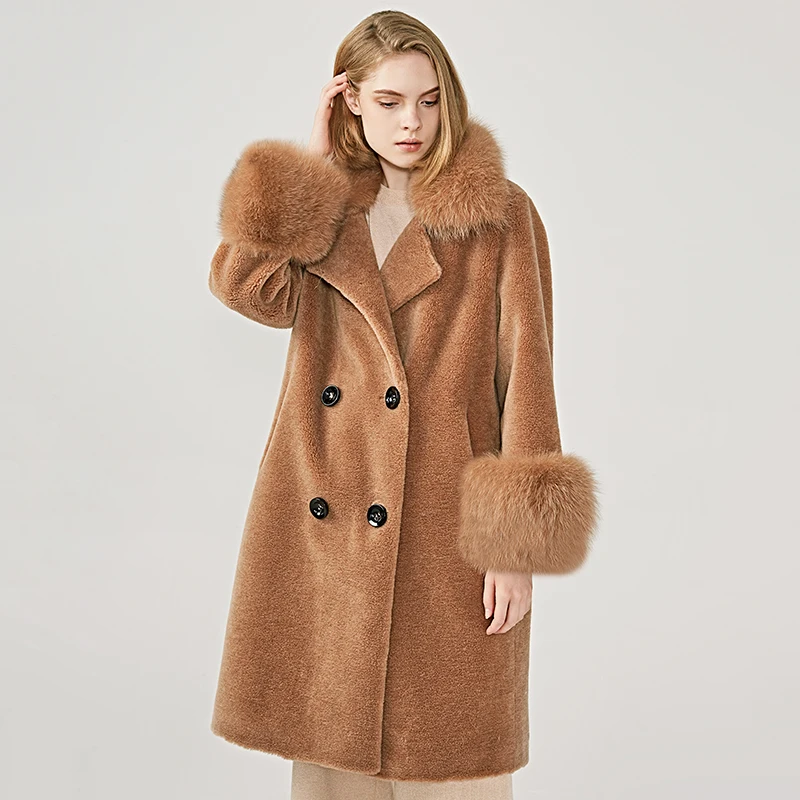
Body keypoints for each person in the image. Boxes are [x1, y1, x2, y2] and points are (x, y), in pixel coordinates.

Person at [207, 10, 600, 800]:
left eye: (428, 100)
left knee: (453, 762)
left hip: (444, 530)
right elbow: (246, 289)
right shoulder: (323, 211)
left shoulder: (499, 215)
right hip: (324, 525)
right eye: (388, 102)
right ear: (350, 101)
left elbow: (526, 377)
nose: (412, 123)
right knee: (333, 763)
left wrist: (514, 547)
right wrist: (304, 172)